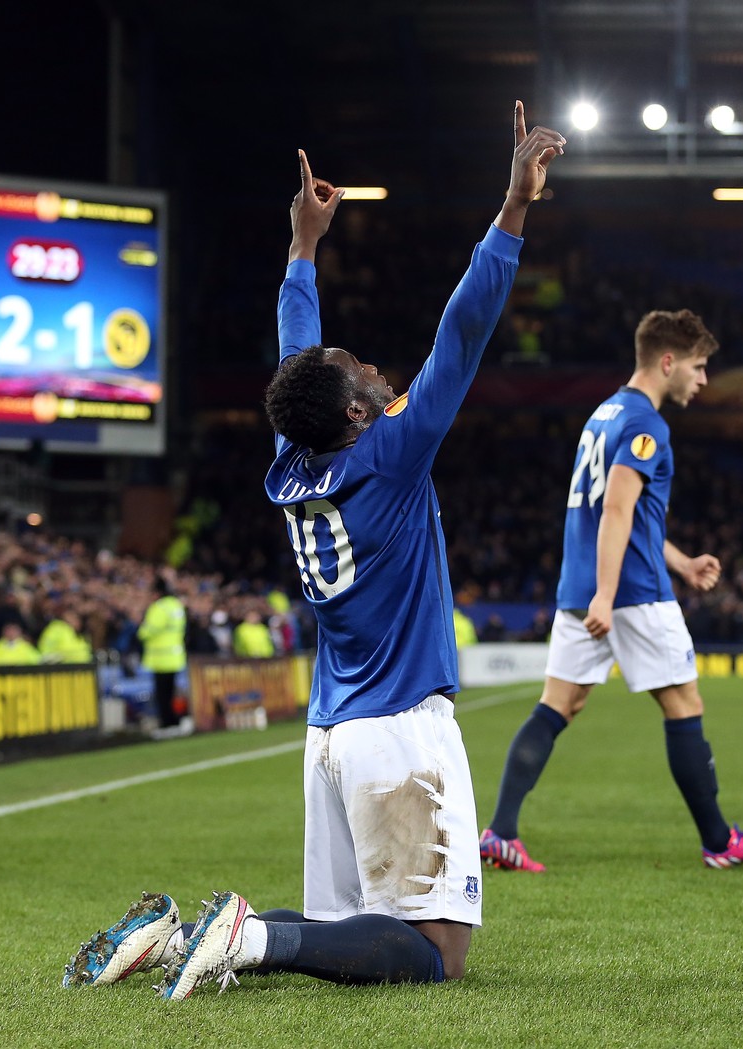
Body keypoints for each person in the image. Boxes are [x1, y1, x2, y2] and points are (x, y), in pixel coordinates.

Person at [64, 102, 564, 998]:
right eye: (361, 369)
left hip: (329, 732)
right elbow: (463, 330)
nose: (368, 365)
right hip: (401, 725)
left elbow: (299, 357)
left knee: (348, 931)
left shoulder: (295, 459)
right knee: (438, 954)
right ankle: (247, 940)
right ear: (359, 413)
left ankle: (185, 936)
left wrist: (303, 250)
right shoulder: (393, 454)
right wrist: (514, 208)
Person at [480, 309, 743, 873]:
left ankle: (500, 832)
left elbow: (627, 515)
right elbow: (616, 510)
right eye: (697, 368)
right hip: (629, 593)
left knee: (559, 705)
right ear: (666, 362)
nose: (701, 379)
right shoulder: (647, 423)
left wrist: (681, 562)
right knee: (684, 703)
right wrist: (609, 593)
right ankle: (720, 841)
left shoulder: (604, 414)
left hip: (582, 587)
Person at [136, 574, 187, 732]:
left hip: (160, 657)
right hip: (175, 655)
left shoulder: (158, 608)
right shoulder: (176, 606)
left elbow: (147, 631)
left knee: (162, 694)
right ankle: (175, 720)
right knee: (172, 691)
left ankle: (167, 722)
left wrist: (140, 629)